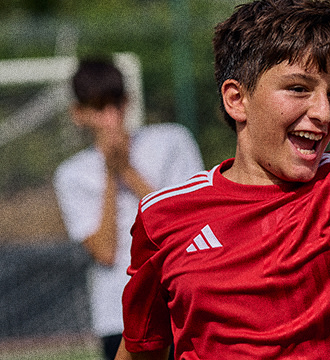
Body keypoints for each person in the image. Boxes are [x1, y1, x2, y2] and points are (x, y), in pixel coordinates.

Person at [115, 1, 330, 359]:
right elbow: (142, 347)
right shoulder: (163, 216)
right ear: (237, 99)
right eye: (298, 88)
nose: (324, 112)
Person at [54, 58, 204, 360]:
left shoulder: (172, 140)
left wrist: (128, 171)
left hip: (185, 301)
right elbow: (105, 252)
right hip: (117, 315)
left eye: (116, 104)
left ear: (128, 101)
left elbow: (189, 223)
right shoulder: (71, 174)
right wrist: (111, 174)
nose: (111, 117)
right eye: (99, 108)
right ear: (79, 114)